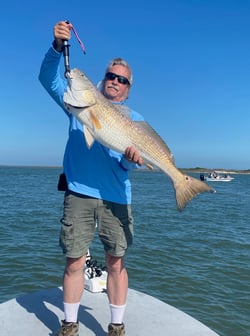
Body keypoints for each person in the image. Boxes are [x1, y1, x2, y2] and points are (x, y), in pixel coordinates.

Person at [39, 21, 144, 336]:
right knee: (74, 261)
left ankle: (116, 325)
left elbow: (131, 167)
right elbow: (48, 78)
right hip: (79, 193)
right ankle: (70, 324)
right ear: (102, 80)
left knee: (116, 263)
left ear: (127, 88)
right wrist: (57, 47)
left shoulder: (135, 120)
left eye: (121, 79)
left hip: (116, 197)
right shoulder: (76, 103)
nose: (114, 81)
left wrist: (130, 161)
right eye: (110, 76)